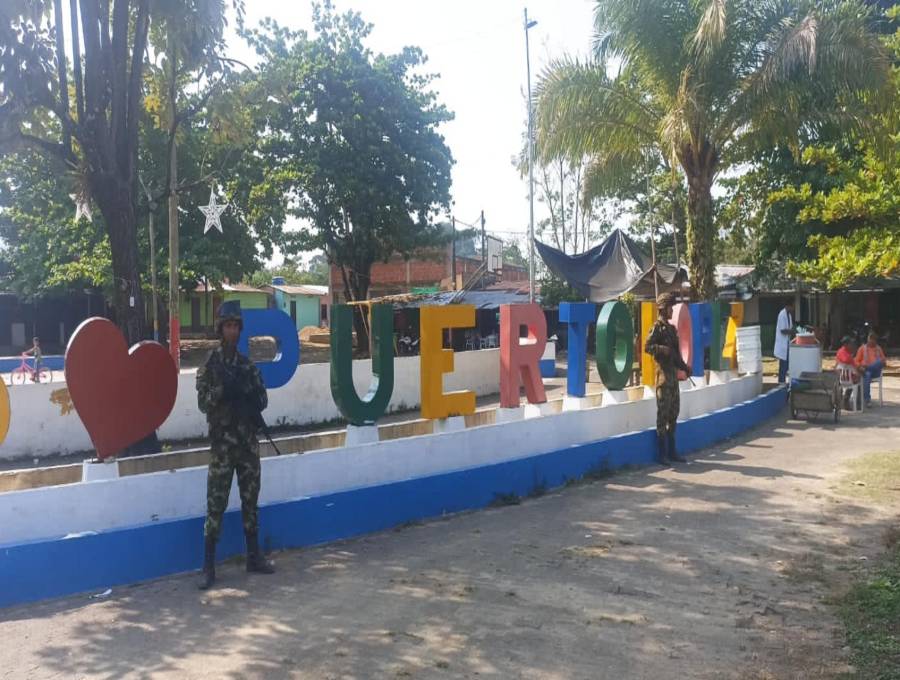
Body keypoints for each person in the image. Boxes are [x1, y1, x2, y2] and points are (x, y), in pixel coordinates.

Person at [196, 301, 275, 590]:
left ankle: (254, 557)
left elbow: (262, 400)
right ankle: (208, 567)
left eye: (235, 326)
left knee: (250, 502)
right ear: (221, 329)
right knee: (215, 505)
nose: (232, 331)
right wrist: (222, 391)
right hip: (222, 448)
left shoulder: (247, 366)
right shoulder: (211, 365)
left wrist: (247, 391)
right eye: (227, 326)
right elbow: (203, 403)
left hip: (246, 445)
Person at [645, 292, 691, 465]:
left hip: (673, 379)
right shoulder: (656, 327)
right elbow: (647, 347)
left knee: (673, 415)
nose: (673, 310)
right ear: (663, 309)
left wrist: (685, 367)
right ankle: (662, 454)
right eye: (671, 307)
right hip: (663, 379)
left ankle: (673, 451)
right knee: (662, 416)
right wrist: (662, 349)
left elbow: (677, 355)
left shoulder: (671, 329)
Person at [855, 332, 887, 406]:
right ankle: (867, 400)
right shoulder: (862, 348)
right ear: (868, 339)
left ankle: (868, 368)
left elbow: (884, 362)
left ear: (876, 340)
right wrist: (860, 367)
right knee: (867, 375)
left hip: (876, 372)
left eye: (874, 339)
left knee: (879, 362)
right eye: (871, 339)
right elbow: (856, 361)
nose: (872, 341)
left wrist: (880, 363)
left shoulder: (879, 348)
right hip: (865, 372)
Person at [774, 301, 795, 384]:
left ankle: (785, 382)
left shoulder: (789, 315)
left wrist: (793, 332)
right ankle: (781, 383)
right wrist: (792, 332)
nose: (793, 309)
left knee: (787, 365)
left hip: (787, 343)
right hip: (782, 344)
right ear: (788, 306)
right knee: (783, 365)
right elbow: (783, 330)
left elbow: (790, 328)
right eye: (792, 307)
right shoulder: (782, 314)